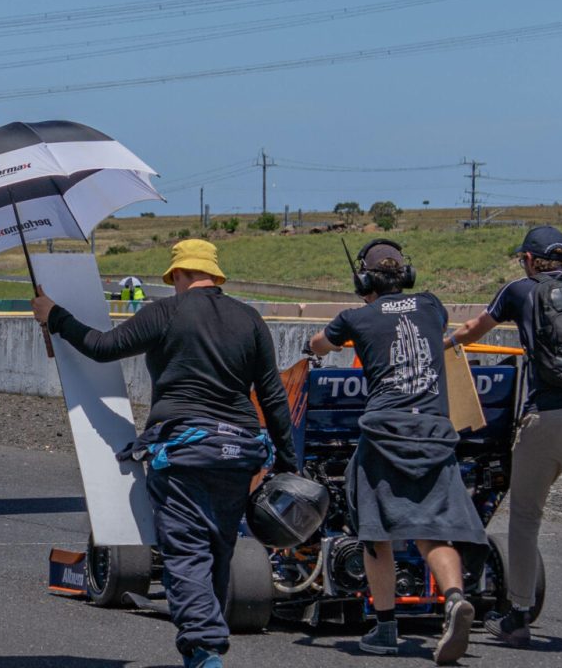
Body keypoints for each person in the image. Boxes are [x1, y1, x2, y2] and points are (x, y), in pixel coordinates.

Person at [32, 239, 297, 668]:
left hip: (184, 452)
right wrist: (287, 464)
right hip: (238, 454)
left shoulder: (165, 312)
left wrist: (54, 316)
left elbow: (101, 347)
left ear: (177, 275)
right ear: (213, 274)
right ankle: (206, 641)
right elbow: (273, 397)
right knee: (218, 548)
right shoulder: (250, 319)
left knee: (186, 552)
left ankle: (206, 650)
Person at [447, 226, 562, 659]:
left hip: (548, 416)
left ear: (528, 259)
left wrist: (444, 344)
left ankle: (519, 616)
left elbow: (472, 329)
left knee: (526, 515)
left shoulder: (520, 290)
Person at [307, 240, 483, 663]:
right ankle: (455, 598)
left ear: (362, 279)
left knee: (375, 529)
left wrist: (319, 345)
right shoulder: (431, 305)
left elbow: (319, 343)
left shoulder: (355, 317)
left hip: (386, 431)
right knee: (431, 527)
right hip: (436, 432)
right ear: (407, 274)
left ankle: (385, 628)